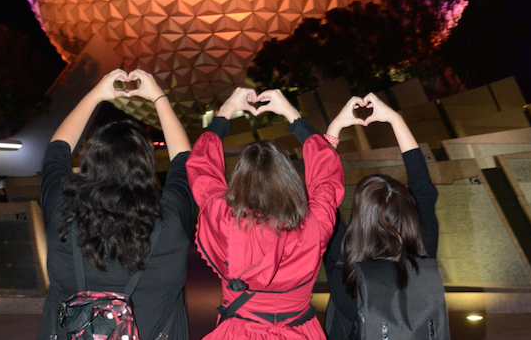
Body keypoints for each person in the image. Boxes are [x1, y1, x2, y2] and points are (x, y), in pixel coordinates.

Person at [186, 87, 363, 340]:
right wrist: (293, 117)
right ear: (289, 179)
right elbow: (326, 179)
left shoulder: (223, 221)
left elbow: (202, 171)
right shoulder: (314, 225)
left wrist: (223, 115)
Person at [37, 67, 194, 340]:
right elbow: (185, 162)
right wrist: (158, 97)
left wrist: (96, 95)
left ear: (89, 165)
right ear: (145, 168)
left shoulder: (62, 213)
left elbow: (56, 151)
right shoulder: (170, 221)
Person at [323, 92, 440, 340]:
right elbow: (423, 189)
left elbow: (320, 198)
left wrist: (334, 129)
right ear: (408, 212)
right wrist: (396, 120)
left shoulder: (344, 263)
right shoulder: (422, 250)